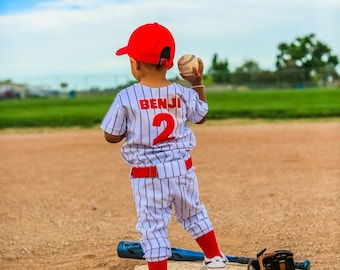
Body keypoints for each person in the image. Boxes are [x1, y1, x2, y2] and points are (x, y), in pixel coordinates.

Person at [101, 22, 227, 270]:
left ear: (135, 64)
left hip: (148, 176)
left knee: (153, 225)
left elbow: (111, 136)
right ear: (169, 63)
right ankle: (214, 257)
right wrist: (197, 84)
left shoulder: (126, 97)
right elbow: (200, 116)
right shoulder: (182, 93)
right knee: (192, 214)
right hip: (182, 170)